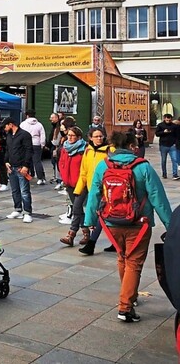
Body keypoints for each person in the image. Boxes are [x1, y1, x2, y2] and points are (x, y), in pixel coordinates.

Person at [84, 132, 172, 323]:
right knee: (134, 263)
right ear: (132, 146)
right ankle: (125, 307)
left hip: (111, 223)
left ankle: (129, 294)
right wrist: (171, 225)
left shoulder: (103, 165)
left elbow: (94, 195)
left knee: (123, 258)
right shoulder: (143, 167)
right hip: (138, 224)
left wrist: (89, 220)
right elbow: (158, 198)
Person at [76, 128, 116, 255]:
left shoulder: (110, 151)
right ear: (90, 138)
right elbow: (83, 171)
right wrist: (78, 189)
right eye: (96, 136)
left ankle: (91, 243)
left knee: (102, 216)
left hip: (105, 189)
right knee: (82, 210)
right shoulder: (88, 150)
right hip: (91, 188)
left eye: (101, 136)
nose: (99, 139)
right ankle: (114, 242)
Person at [58, 127, 87, 246]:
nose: (69, 137)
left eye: (72, 135)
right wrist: (64, 178)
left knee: (76, 208)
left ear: (79, 137)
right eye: (68, 135)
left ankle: (71, 235)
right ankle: (86, 233)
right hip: (69, 183)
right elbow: (61, 163)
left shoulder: (84, 149)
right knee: (78, 210)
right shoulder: (64, 148)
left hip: (80, 184)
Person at [1, 117, 34, 223]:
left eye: (5, 126)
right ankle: (18, 209)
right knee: (15, 190)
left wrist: (26, 165)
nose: (5, 129)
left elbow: (29, 150)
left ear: (11, 124)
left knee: (24, 191)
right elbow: (7, 149)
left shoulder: (24, 135)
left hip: (21, 167)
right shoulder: (9, 136)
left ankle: (27, 212)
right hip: (11, 167)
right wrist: (6, 161)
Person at [20, 110, 47, 185]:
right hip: (36, 144)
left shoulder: (23, 124)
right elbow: (42, 135)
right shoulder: (39, 125)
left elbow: (20, 134)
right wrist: (42, 144)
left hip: (26, 144)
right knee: (37, 161)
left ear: (27, 115)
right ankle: (41, 178)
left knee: (26, 160)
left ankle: (26, 176)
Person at [156, 113, 178, 179]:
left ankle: (175, 174)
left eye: (169, 120)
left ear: (171, 119)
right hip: (163, 145)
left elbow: (177, 135)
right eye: (167, 120)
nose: (168, 121)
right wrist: (163, 132)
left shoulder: (174, 126)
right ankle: (164, 174)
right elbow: (157, 134)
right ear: (164, 119)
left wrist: (175, 143)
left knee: (174, 159)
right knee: (163, 160)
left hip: (172, 145)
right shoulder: (160, 125)